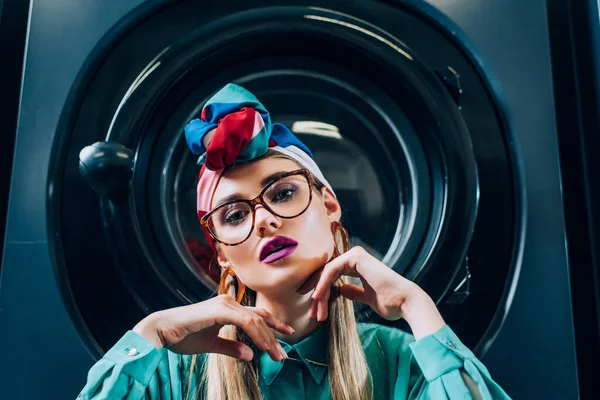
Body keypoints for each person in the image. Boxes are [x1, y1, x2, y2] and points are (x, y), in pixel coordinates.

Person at [77, 83, 511, 400]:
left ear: (329, 203)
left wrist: (419, 308)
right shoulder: (173, 371)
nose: (263, 220)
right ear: (223, 255)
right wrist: (150, 332)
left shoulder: (405, 362)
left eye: (283, 193)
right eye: (234, 215)